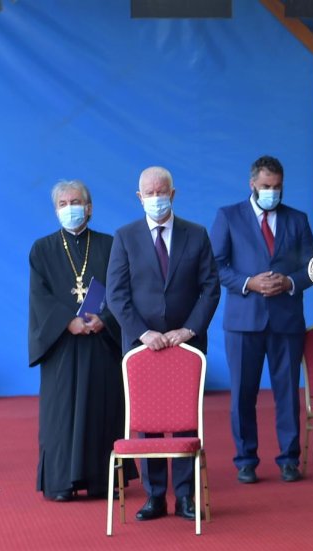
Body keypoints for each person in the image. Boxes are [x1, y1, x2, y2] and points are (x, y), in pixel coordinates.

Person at [106, 166, 220, 522]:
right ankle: (155, 496)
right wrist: (144, 333)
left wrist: (188, 329)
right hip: (144, 345)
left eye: (162, 192)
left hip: (186, 342)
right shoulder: (125, 237)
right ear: (139, 197)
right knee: (149, 420)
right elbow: (116, 294)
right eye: (149, 193)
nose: (156, 198)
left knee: (186, 420)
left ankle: (186, 496)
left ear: (173, 193)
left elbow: (210, 288)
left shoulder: (197, 234)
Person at [210, 156, 313, 485]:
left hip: (286, 319)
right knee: (243, 394)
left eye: (278, 186)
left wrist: (289, 282)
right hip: (243, 321)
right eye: (266, 186)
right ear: (252, 183)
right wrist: (249, 283)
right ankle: (245, 459)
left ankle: (289, 459)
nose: (272, 191)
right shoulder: (228, 216)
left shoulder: (297, 219)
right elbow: (216, 265)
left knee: (287, 392)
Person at [28, 180, 127, 501]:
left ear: (89, 207)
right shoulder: (42, 249)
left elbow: (122, 292)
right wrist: (66, 322)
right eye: (63, 203)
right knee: (61, 415)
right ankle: (60, 483)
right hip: (62, 346)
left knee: (102, 410)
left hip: (101, 343)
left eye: (76, 202)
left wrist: (106, 319)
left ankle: (102, 480)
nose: (70, 208)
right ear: (56, 210)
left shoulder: (110, 245)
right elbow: (38, 297)